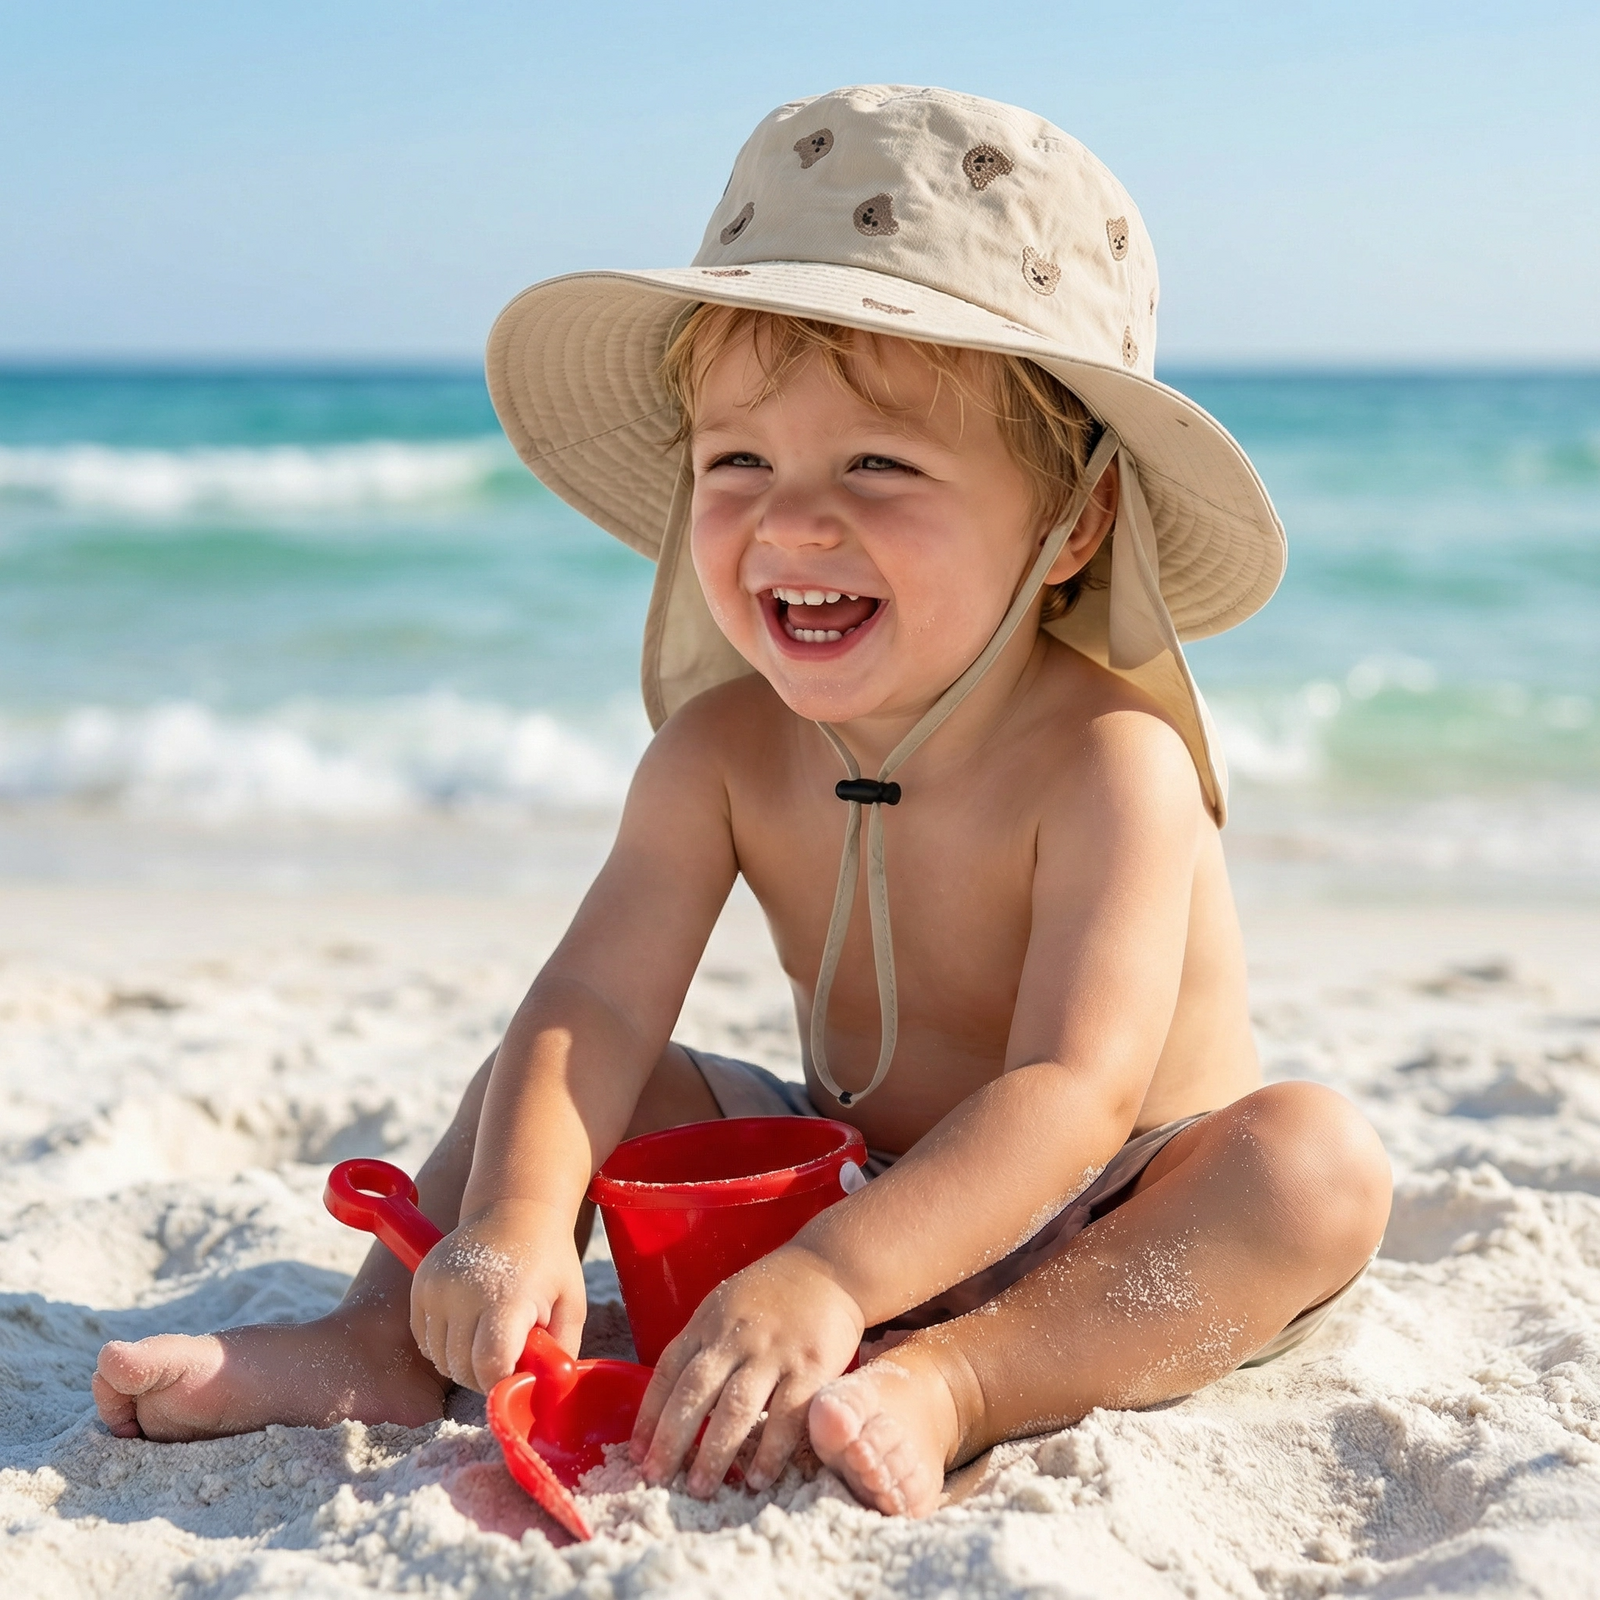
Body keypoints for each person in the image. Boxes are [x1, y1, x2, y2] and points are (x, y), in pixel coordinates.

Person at [93, 85, 1391, 1519]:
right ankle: (376, 1339)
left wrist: (834, 1280)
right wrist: (522, 1219)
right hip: (840, 1176)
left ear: (1072, 522)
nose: (792, 520)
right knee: (579, 1073)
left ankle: (959, 1380)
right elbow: (595, 992)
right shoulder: (719, 750)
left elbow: (1070, 1096)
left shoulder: (1108, 761)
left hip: (1100, 1217)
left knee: (1311, 1166)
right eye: (740, 462)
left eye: (880, 464)